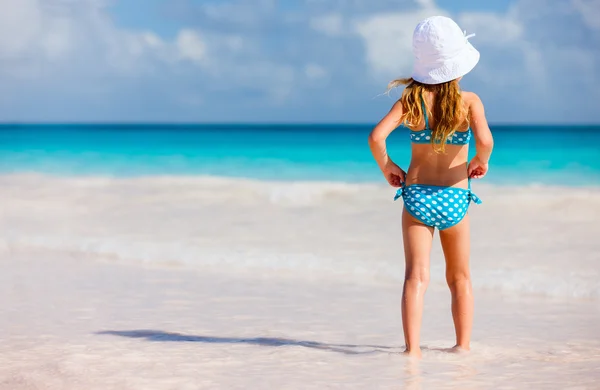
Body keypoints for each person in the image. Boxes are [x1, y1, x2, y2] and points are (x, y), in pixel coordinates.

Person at [368, 16, 494, 358]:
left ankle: (412, 351)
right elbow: (485, 141)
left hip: (417, 196)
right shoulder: (470, 102)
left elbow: (376, 137)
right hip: (456, 196)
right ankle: (462, 348)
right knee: (460, 278)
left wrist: (388, 167)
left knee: (416, 278)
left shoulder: (412, 102)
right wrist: (479, 162)